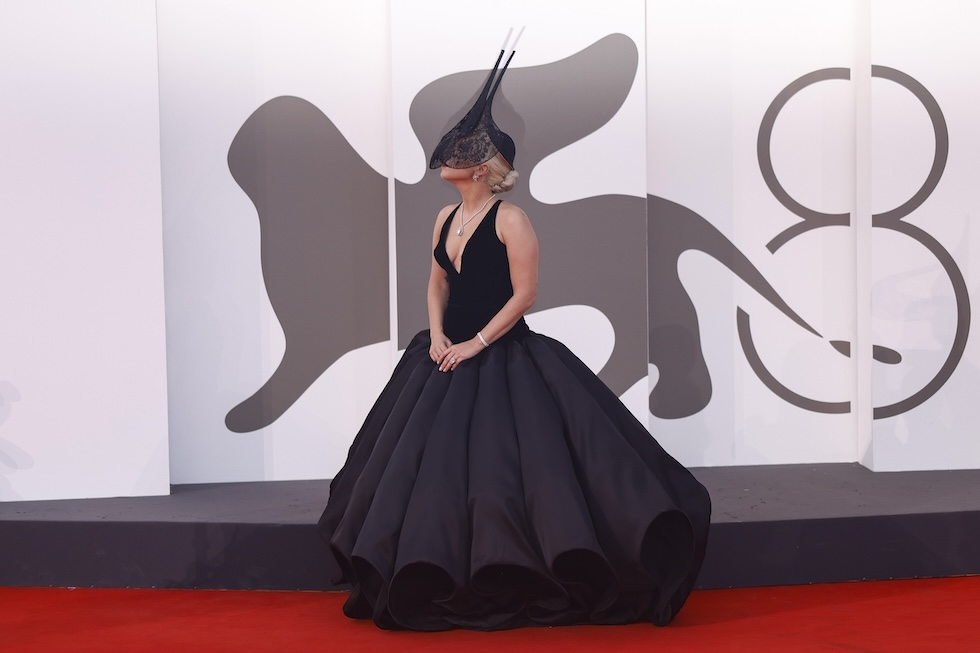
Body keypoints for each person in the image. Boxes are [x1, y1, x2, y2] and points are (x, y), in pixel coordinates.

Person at [318, 35, 711, 631]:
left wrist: (475, 344)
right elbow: (437, 282)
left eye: (458, 152)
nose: (444, 159)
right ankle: (430, 567)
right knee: (421, 472)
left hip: (501, 355)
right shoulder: (444, 216)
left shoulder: (513, 219)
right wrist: (437, 336)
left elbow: (525, 295)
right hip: (443, 355)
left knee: (504, 471)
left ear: (481, 167)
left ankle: (512, 568)